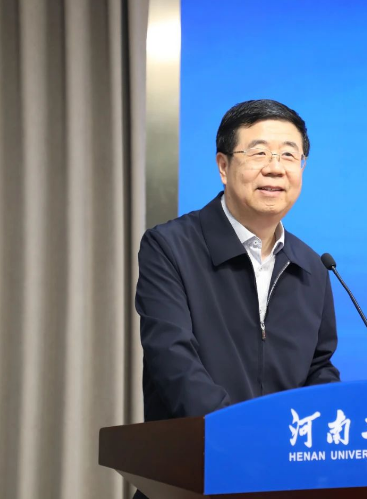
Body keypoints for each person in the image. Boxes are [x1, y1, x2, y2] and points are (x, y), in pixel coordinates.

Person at [135, 99, 341, 426]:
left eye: (289, 155)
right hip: (198, 450)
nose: (275, 168)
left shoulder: (313, 267)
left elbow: (319, 368)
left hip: (287, 454)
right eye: (259, 153)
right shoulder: (170, 247)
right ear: (223, 166)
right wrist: (243, 437)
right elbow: (174, 362)